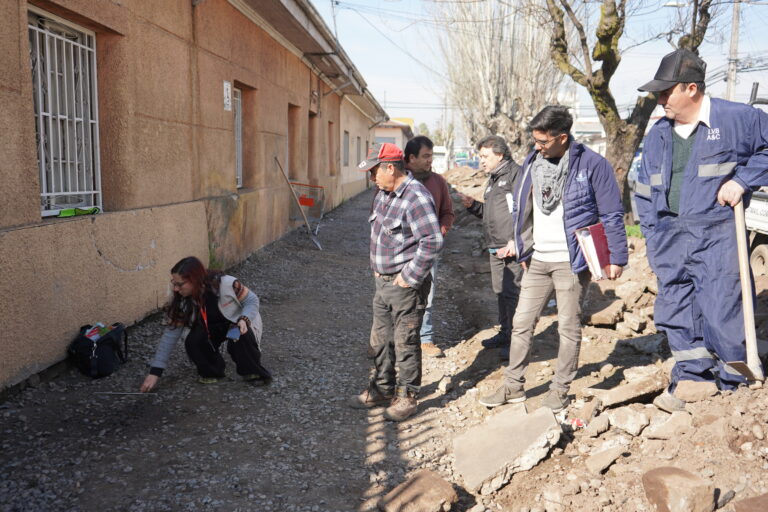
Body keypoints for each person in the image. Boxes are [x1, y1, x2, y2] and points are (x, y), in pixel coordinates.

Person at [634, 49, 768, 412]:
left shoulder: (737, 118)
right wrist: (651, 232)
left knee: (723, 307)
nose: (660, 101)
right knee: (676, 308)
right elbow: (644, 188)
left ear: (691, 88)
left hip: (717, 233)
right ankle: (693, 378)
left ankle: (733, 387)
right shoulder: (658, 134)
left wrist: (742, 181)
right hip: (668, 235)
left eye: (666, 93)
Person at [479, 106, 627, 412]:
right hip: (538, 260)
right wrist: (521, 246)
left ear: (562, 137)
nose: (536, 146)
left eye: (543, 141)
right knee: (521, 323)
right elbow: (522, 209)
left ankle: (559, 390)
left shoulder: (592, 165)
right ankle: (513, 386)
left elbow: (612, 213)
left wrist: (617, 257)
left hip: (571, 263)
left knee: (568, 328)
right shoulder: (533, 162)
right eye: (535, 140)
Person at [349, 142, 443, 422]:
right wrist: (378, 269)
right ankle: (382, 388)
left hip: (405, 285)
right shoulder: (382, 193)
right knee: (381, 339)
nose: (371, 177)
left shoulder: (416, 197)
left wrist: (408, 277)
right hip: (383, 282)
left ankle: (406, 396)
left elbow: (432, 241)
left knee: (405, 341)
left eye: (374, 171)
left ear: (390, 167)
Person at [140, 256, 271, 392]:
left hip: (236, 322)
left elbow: (252, 300)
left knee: (240, 334)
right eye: (174, 283)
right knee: (193, 340)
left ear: (195, 279)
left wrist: (244, 319)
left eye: (180, 284)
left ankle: (252, 371)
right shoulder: (181, 300)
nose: (175, 289)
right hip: (210, 327)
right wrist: (155, 373)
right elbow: (171, 333)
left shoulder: (228, 283)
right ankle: (213, 371)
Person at [457, 136, 523, 352]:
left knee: (513, 293)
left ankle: (516, 341)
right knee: (500, 291)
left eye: (485, 156)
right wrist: (473, 206)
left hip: (511, 247)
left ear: (500, 155)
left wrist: (516, 240)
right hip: (495, 247)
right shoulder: (494, 179)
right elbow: (493, 213)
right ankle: (505, 333)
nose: (482, 161)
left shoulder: (516, 175)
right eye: (481, 157)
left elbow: (525, 212)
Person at [404, 135, 455, 358]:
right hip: (401, 250)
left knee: (427, 294)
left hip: (428, 250)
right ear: (411, 158)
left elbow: (448, 213)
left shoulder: (438, 182)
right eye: (425, 156)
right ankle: (398, 338)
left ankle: (425, 338)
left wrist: (439, 233)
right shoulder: (397, 180)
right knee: (397, 293)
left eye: (431, 156)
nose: (429, 161)